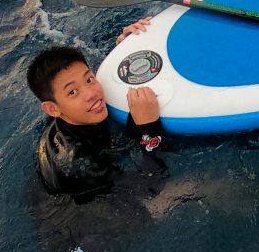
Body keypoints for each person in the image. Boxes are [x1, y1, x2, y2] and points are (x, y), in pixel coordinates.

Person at [28, 41, 165, 201]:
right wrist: (148, 129)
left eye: (89, 80)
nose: (91, 94)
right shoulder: (82, 165)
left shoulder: (69, 113)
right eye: (73, 92)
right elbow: (149, 188)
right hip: (87, 213)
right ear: (52, 109)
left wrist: (126, 47)